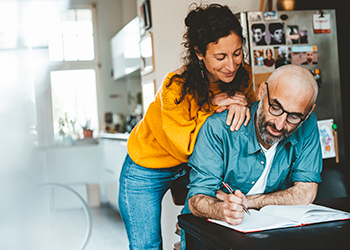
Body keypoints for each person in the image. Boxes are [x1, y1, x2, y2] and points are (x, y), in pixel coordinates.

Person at [118, 3, 257, 249]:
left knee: (199, 235)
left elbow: (247, 128)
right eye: (220, 57)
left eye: (237, 53)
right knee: (146, 246)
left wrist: (243, 105)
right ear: (199, 53)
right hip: (147, 166)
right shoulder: (175, 87)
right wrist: (214, 104)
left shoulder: (242, 76)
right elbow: (185, 147)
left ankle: (186, 226)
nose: (231, 65)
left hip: (193, 168)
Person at [181, 64, 322, 249]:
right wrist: (223, 210)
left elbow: (306, 192)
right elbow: (197, 199)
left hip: (270, 235)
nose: (279, 125)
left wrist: (249, 202)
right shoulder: (218, 128)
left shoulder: (308, 123)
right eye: (275, 107)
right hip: (211, 235)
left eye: (294, 117)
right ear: (262, 91)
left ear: (309, 111)